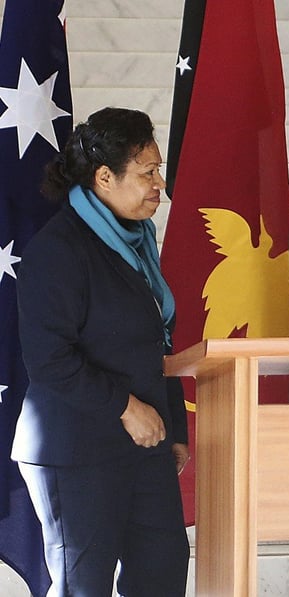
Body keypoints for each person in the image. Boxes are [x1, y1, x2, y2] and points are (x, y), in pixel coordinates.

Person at [13, 107, 189, 596]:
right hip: (76, 448)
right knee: (82, 586)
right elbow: (50, 359)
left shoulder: (137, 242)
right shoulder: (59, 249)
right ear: (104, 177)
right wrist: (126, 408)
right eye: (147, 173)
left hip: (144, 446)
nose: (160, 185)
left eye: (159, 171)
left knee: (164, 572)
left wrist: (172, 426)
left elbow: (158, 342)